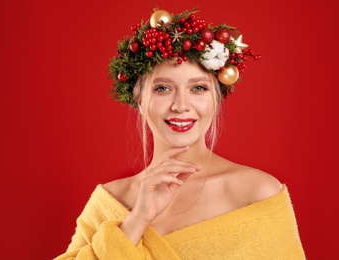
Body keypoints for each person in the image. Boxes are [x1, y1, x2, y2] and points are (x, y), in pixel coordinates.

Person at [55, 7, 305, 259]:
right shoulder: (110, 201)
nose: (181, 105)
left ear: (216, 100)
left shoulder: (257, 192)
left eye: (198, 88)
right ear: (140, 101)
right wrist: (136, 221)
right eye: (163, 88)